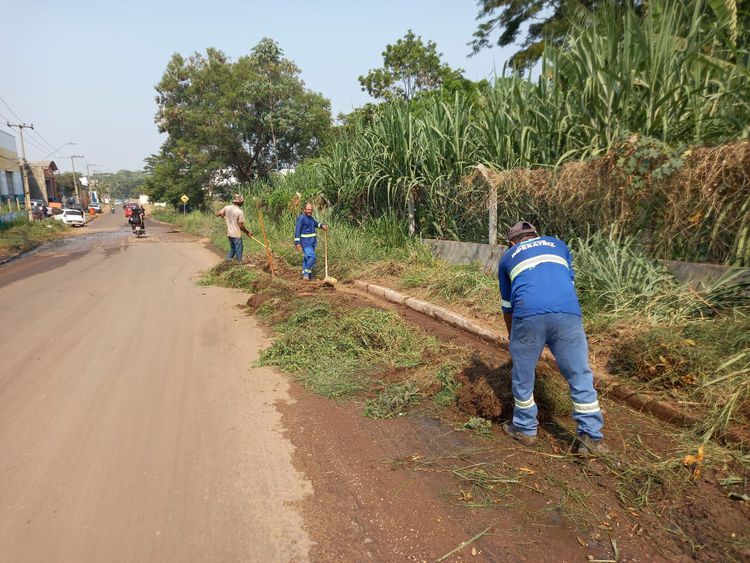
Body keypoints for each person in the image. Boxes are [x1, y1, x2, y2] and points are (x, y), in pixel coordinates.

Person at [498, 221, 606, 455]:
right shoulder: (558, 244)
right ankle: (590, 438)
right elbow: (566, 282)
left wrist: (514, 338)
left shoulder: (508, 257)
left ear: (512, 243)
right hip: (568, 313)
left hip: (528, 313)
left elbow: (508, 307)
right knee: (579, 373)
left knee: (523, 374)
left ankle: (525, 429)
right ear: (535, 236)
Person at [294, 203, 328, 280]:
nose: (310, 211)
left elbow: (315, 224)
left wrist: (322, 226)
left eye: (311, 210)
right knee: (312, 257)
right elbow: (297, 231)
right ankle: (306, 273)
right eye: (308, 209)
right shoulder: (301, 218)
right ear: (304, 210)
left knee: (307, 258)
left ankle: (306, 274)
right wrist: (297, 243)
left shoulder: (311, 218)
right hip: (305, 242)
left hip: (312, 242)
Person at [216, 194, 251, 261]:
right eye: (242, 201)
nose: (243, 203)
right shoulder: (239, 212)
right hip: (236, 235)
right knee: (238, 252)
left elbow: (217, 214)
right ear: (239, 202)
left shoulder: (227, 207)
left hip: (229, 234)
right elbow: (241, 226)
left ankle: (226, 262)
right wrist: (248, 232)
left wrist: (222, 215)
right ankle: (239, 265)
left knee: (233, 250)